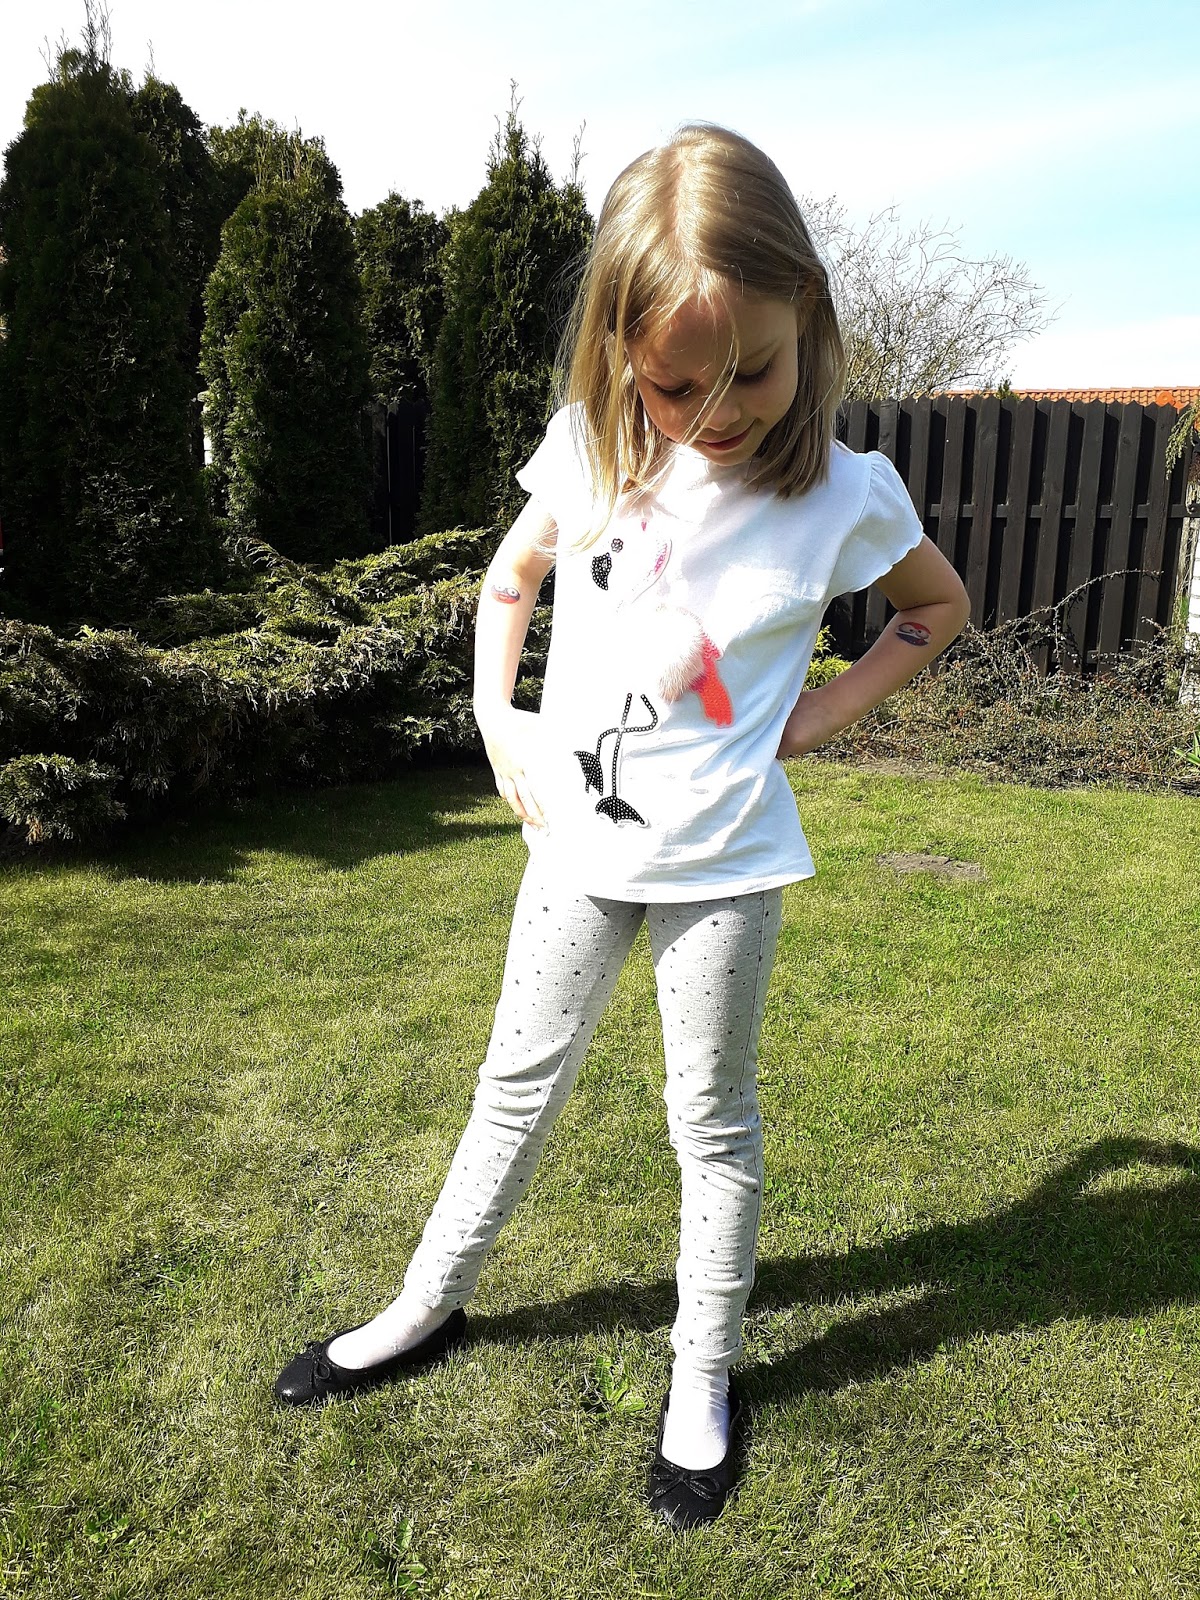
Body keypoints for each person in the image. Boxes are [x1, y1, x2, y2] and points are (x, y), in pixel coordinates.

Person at [273, 122, 971, 1529]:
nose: (717, 413)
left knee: (711, 1122)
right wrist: (497, 717)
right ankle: (422, 1307)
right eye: (674, 382)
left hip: (725, 868)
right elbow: (509, 581)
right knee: (512, 1088)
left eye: (752, 372)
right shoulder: (590, 453)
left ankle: (701, 1377)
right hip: (578, 856)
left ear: (806, 314)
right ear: (617, 349)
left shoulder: (846, 494)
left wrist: (818, 718)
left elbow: (936, 609)